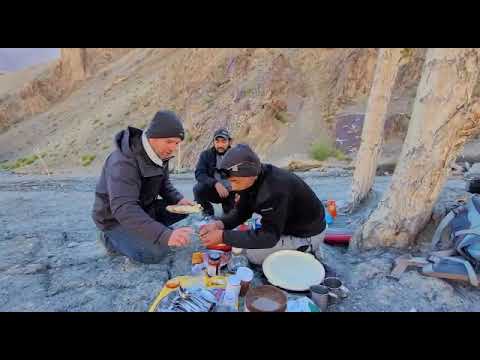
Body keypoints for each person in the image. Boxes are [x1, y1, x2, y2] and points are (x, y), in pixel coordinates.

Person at [92, 110, 194, 264]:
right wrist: (163, 235)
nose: (173, 148)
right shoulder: (123, 161)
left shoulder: (160, 155)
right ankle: (110, 239)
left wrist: (179, 200)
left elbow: (164, 185)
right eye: (169, 141)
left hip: (142, 207)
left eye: (177, 143)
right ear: (153, 137)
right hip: (114, 219)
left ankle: (145, 230)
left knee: (184, 211)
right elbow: (124, 209)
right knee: (156, 253)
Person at [199, 144, 327, 265]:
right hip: (287, 224)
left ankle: (306, 248)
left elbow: (269, 237)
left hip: (307, 234)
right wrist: (219, 224)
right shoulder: (252, 178)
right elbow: (242, 212)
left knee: (254, 255)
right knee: (245, 242)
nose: (231, 186)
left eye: (234, 181)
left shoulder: (273, 190)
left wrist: (223, 236)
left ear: (251, 175)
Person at [193, 128, 236, 217]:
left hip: (231, 193)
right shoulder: (206, 155)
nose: (220, 145)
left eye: (223, 141)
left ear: (229, 142)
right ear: (213, 142)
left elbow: (244, 176)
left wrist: (241, 193)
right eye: (217, 142)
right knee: (198, 189)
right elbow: (199, 174)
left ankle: (229, 209)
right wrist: (215, 183)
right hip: (213, 190)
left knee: (231, 220)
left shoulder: (237, 155)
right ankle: (207, 211)